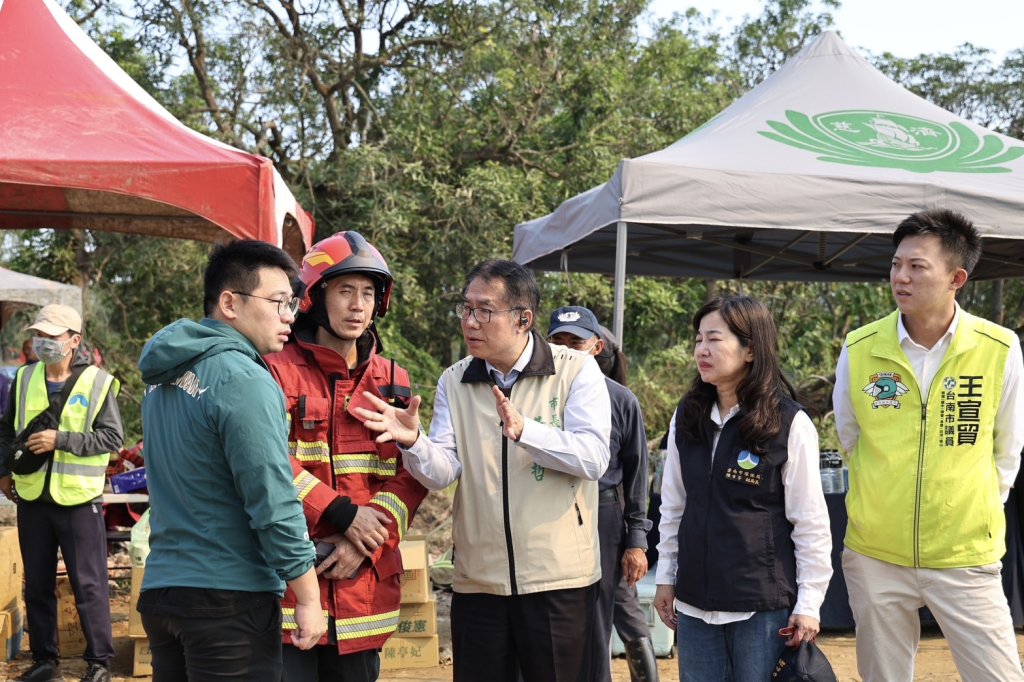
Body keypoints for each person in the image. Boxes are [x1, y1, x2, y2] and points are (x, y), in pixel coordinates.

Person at [355, 259, 611, 682]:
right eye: (466, 308)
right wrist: (414, 442)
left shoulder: (575, 370)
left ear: (523, 319)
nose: (470, 321)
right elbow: (442, 471)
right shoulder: (455, 381)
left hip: (558, 580)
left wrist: (526, 431)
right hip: (478, 580)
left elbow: (593, 457)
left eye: (485, 310)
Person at [832, 208, 1024, 682]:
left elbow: (1007, 449)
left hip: (965, 554)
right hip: (876, 554)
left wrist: (973, 512)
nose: (900, 277)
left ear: (956, 278)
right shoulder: (860, 347)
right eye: (896, 264)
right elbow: (851, 436)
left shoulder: (998, 348)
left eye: (917, 266)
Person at [136, 240, 326, 681]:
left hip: (164, 590)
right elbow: (272, 500)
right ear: (230, 303)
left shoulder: (164, 376)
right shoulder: (243, 378)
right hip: (227, 599)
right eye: (278, 302)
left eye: (292, 304)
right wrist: (308, 596)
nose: (290, 316)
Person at [264, 231, 428, 681]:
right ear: (315, 297)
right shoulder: (274, 370)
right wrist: (342, 515)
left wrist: (364, 541)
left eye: (368, 293)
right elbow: (267, 464)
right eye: (345, 291)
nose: (358, 306)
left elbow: (411, 475)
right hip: (290, 588)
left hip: (364, 589)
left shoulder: (392, 380)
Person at [653, 295, 832, 681]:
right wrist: (666, 577)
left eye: (714, 339)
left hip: (761, 608)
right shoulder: (687, 416)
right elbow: (674, 507)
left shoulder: (788, 423)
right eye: (698, 339)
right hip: (694, 605)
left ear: (750, 350)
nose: (702, 350)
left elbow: (810, 522)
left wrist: (809, 603)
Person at [0, 304, 123, 682]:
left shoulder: (98, 383)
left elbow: (113, 438)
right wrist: (3, 472)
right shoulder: (24, 377)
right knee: (37, 584)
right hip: (32, 498)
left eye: (52, 336)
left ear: (74, 341)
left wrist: (61, 440)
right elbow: (5, 429)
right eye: (39, 335)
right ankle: (44, 660)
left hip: (78, 501)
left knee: (89, 586)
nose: (43, 342)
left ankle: (99, 662)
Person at [547, 309, 657, 682]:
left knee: (606, 610)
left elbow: (637, 475)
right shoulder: (534, 395)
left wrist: (636, 540)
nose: (566, 351)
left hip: (603, 514)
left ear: (595, 347)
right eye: (557, 342)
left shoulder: (620, 400)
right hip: (548, 511)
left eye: (575, 342)